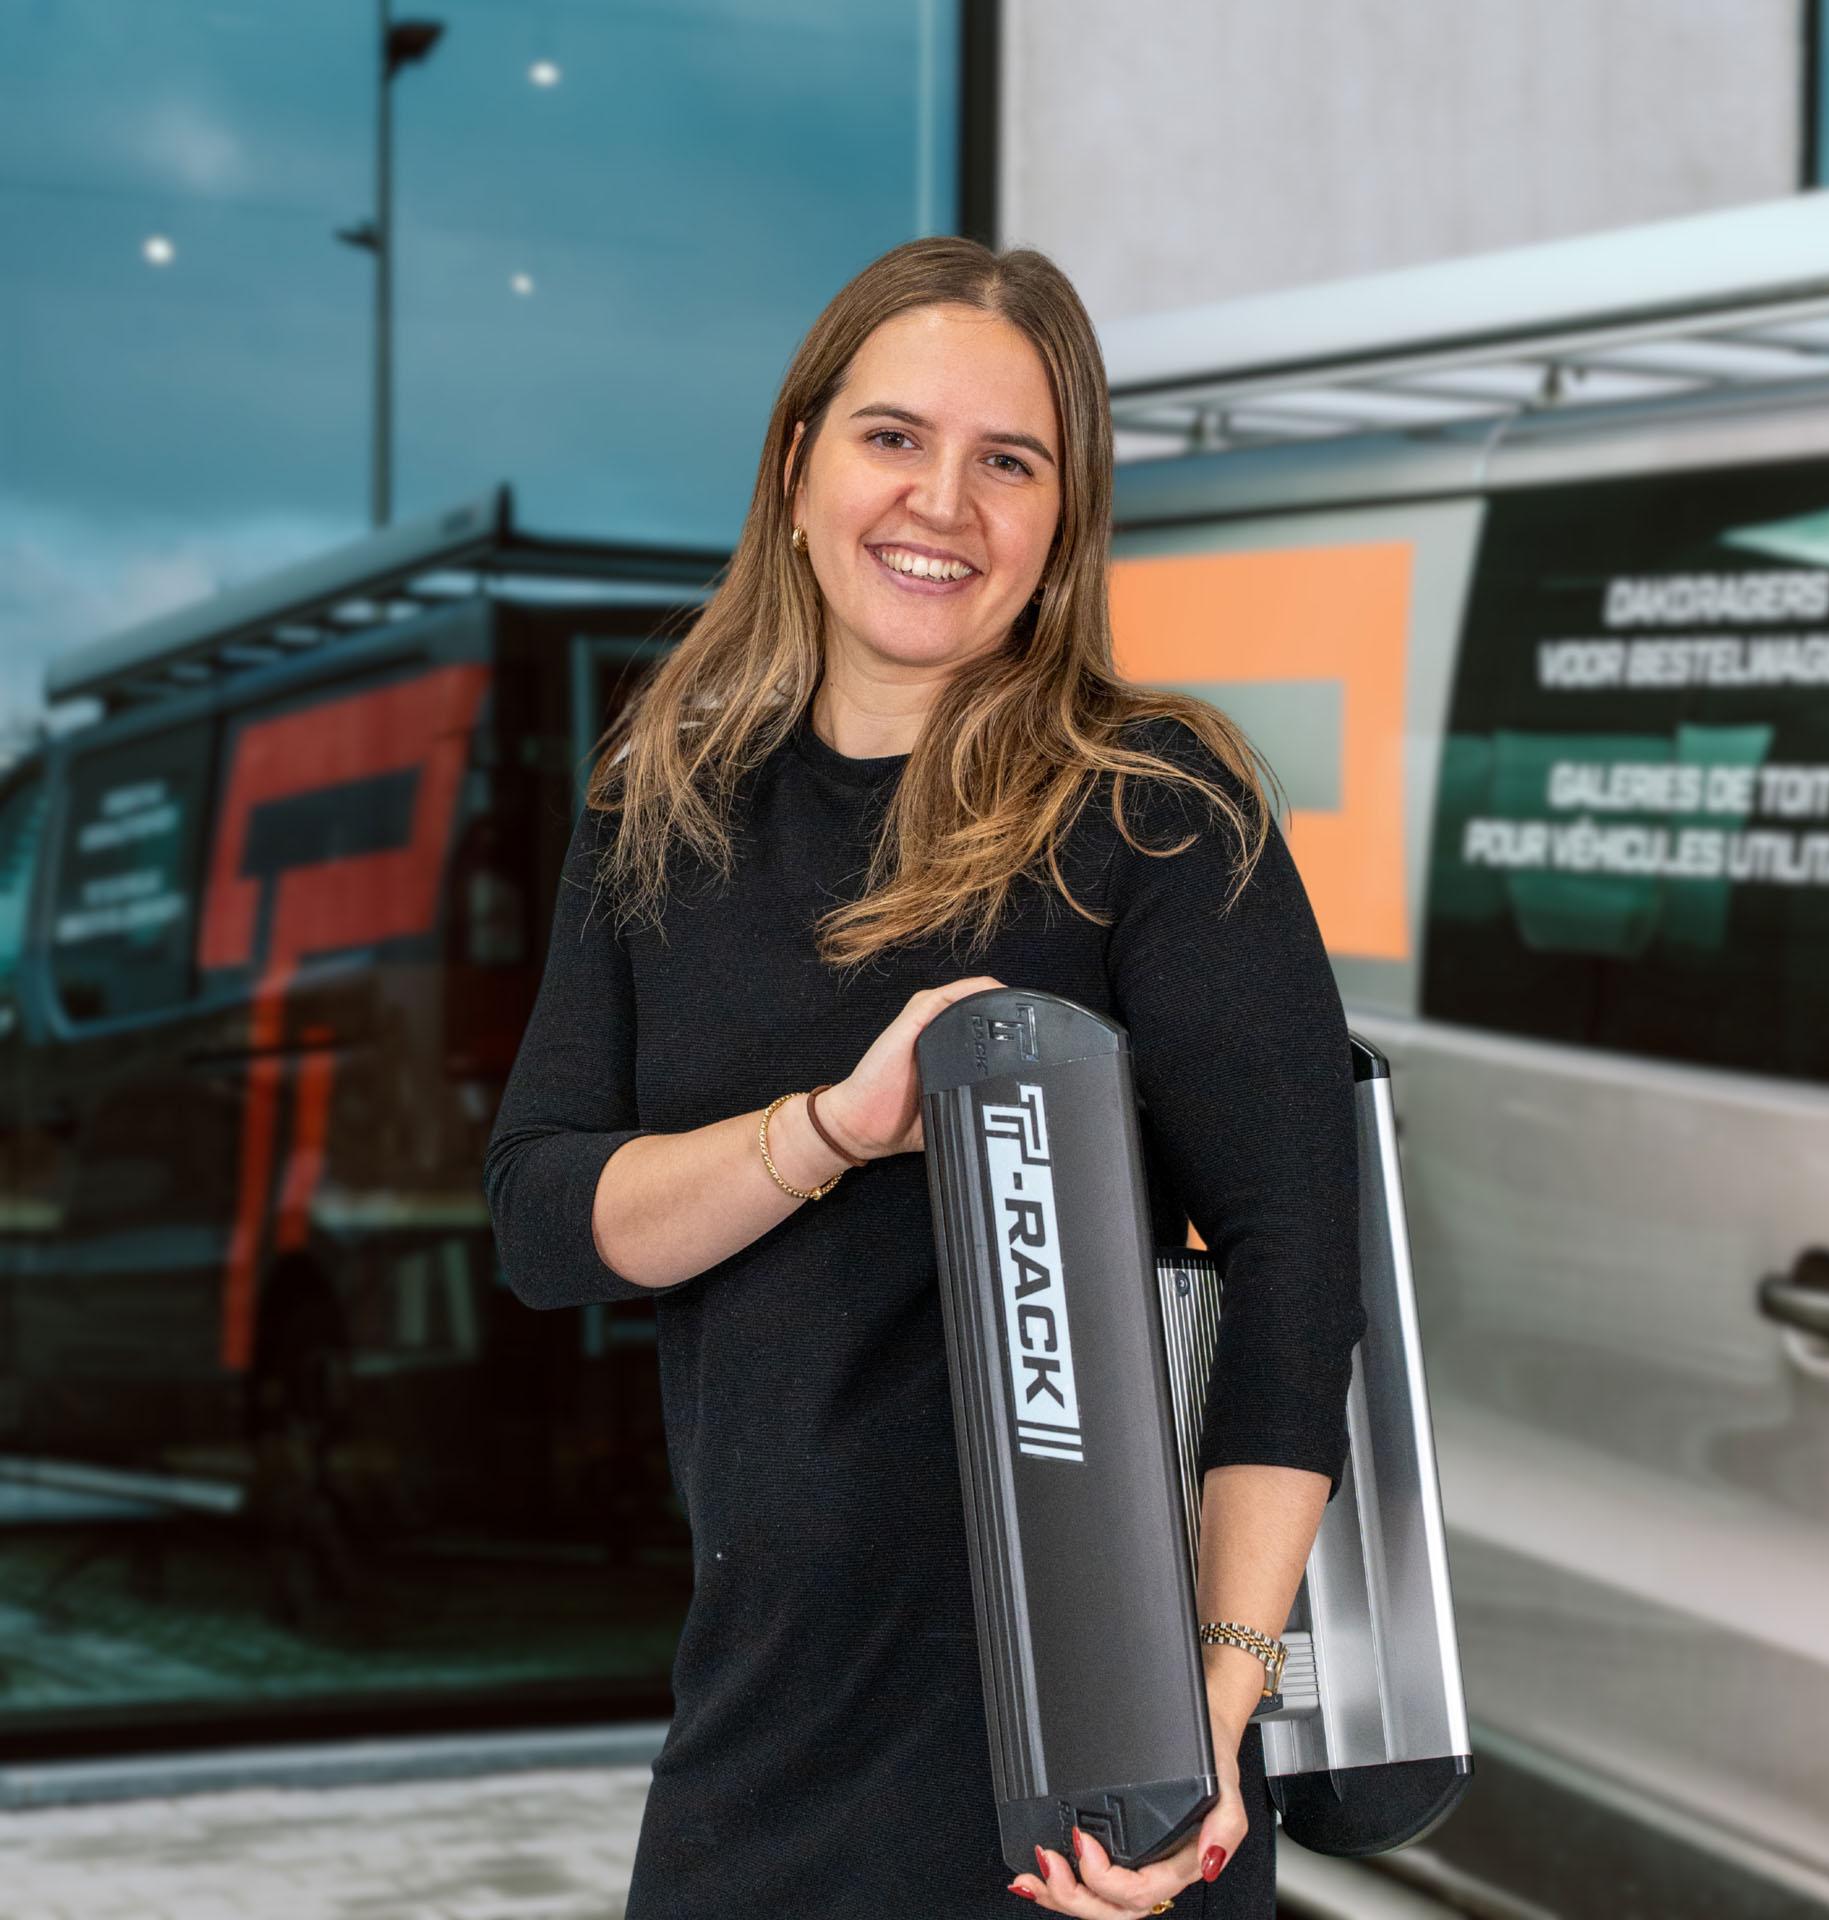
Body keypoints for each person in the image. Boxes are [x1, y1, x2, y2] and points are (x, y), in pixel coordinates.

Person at [483, 234, 1365, 1919]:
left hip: (1081, 1767)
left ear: (1064, 515)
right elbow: (543, 1221)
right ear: (797, 461)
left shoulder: (1153, 807)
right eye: (894, 437)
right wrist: (835, 1128)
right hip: (760, 1731)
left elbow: (1296, 1262)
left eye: (1008, 461)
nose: (941, 504)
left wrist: (1213, 1702)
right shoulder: (664, 805)